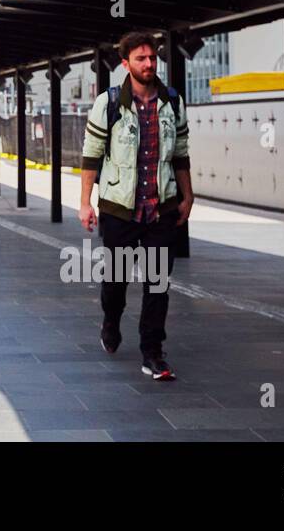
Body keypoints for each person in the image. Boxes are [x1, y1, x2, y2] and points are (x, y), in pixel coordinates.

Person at [79, 31, 193, 381]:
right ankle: (111, 321)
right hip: (119, 211)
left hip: (161, 211)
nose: (148, 64)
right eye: (140, 59)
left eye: (152, 58)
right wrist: (85, 203)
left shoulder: (172, 102)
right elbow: (91, 155)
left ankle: (153, 352)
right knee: (116, 282)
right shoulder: (109, 102)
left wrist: (188, 195)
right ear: (125, 64)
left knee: (157, 284)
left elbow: (181, 153)